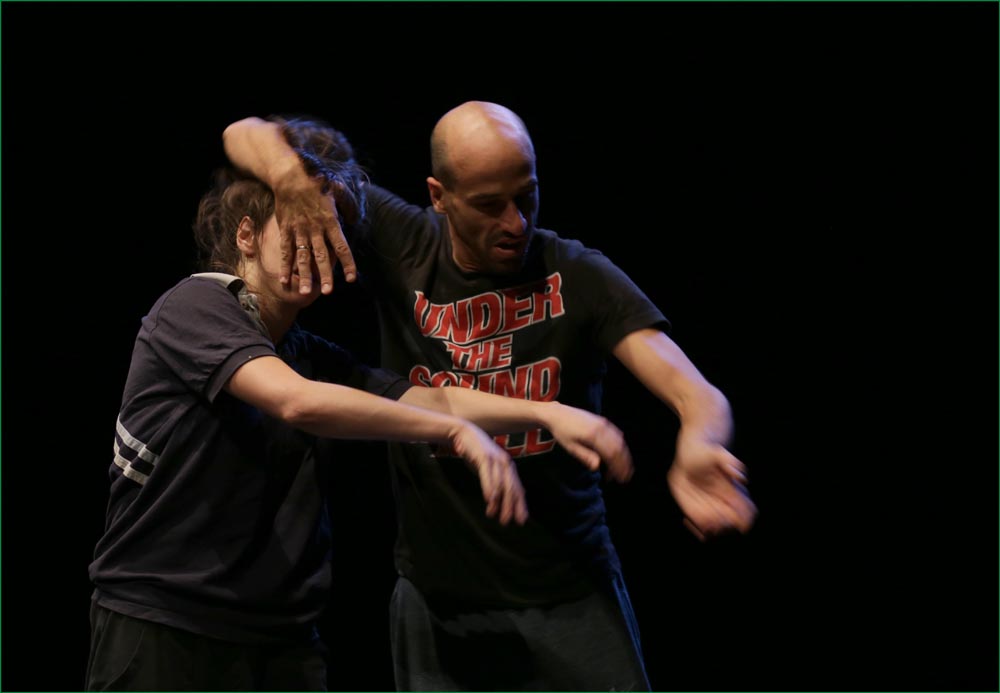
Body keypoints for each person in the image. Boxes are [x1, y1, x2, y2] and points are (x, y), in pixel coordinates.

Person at [86, 116, 636, 692]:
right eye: (298, 231)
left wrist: (546, 412)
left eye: (326, 235)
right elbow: (296, 402)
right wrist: (453, 433)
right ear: (246, 236)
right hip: (165, 622)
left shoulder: (309, 355)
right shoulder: (195, 308)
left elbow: (432, 397)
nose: (315, 250)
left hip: (277, 637)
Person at [222, 103, 758, 692]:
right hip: (438, 603)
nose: (515, 222)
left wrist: (700, 441)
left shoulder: (576, 274)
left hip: (569, 594)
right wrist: (291, 178)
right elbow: (243, 133)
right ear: (440, 196)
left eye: (526, 196)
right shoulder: (403, 243)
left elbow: (694, 391)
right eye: (488, 204)